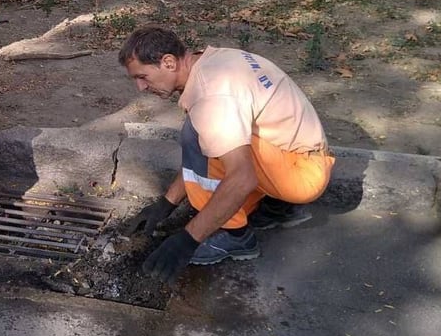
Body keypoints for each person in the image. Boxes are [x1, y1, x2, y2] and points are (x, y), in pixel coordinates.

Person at [118, 26, 334, 283]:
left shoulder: (213, 95)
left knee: (199, 133)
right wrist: (167, 203)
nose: (141, 87)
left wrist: (188, 239)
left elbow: (242, 178)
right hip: (300, 158)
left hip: (301, 174)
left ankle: (235, 236)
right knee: (213, 135)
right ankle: (277, 207)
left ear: (168, 62)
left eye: (143, 76)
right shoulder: (214, 61)